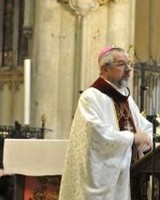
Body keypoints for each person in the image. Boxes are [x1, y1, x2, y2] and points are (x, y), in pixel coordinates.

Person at [59, 45, 153, 200]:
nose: (129, 69)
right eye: (122, 64)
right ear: (105, 69)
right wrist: (133, 138)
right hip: (105, 184)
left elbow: (144, 128)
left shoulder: (126, 98)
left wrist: (147, 139)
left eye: (129, 64)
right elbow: (95, 134)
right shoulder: (91, 97)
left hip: (132, 174)